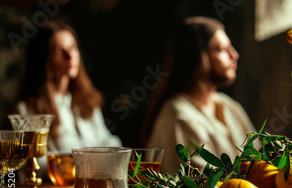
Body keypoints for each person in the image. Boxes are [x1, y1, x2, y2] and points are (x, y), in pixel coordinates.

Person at [142, 17, 256, 174]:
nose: (234, 55)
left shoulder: (229, 106)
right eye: (222, 49)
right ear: (199, 56)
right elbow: (202, 185)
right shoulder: (179, 114)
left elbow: (258, 160)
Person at [13, 21, 122, 152]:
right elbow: (36, 163)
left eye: (73, 47)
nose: (70, 56)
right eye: (60, 51)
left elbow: (108, 141)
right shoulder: (27, 110)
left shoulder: (86, 100)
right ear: (44, 59)